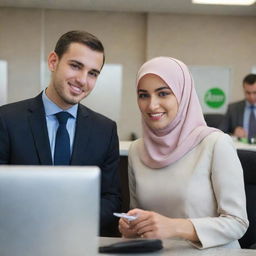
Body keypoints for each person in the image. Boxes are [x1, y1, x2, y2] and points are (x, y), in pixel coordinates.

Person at [0, 30, 121, 236]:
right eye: (75, 66)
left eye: (93, 73)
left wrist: (71, 223)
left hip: (77, 239)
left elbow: (111, 198)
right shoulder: (7, 119)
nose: (83, 80)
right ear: (53, 61)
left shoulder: (105, 130)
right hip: (17, 238)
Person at [118, 57, 248, 249]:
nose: (152, 105)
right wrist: (132, 227)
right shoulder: (137, 150)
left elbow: (237, 222)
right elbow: (139, 215)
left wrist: (175, 227)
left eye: (163, 94)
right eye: (143, 95)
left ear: (183, 95)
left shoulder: (215, 143)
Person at [219, 74, 256, 139]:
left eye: (255, 92)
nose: (251, 97)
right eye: (248, 93)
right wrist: (233, 132)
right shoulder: (232, 108)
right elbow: (220, 132)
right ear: (243, 89)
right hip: (240, 147)